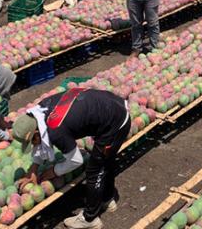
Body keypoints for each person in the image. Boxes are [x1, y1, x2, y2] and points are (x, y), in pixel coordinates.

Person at [12, 87, 130, 229]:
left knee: (95, 169)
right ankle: (107, 198)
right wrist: (34, 168)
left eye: (32, 141)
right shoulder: (40, 111)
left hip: (115, 122)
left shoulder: (56, 130)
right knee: (105, 161)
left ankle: (90, 219)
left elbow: (76, 160)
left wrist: (54, 171)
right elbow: (41, 141)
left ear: (36, 132)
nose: (33, 145)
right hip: (111, 106)